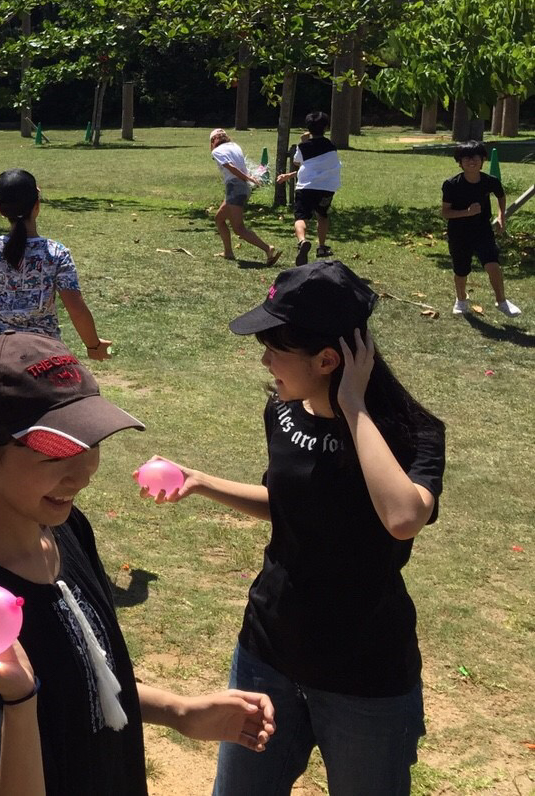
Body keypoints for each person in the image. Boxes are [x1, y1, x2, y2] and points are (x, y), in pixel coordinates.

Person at [0, 332, 276, 795]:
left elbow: (84, 680)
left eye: (90, 443)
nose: (83, 473)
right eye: (57, 453)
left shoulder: (66, 531)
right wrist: (19, 700)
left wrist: (178, 711)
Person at [144, 261, 444, 795]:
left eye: (275, 349)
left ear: (328, 359)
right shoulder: (283, 411)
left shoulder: (411, 432)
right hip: (269, 652)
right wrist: (202, 481)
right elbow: (294, 506)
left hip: (365, 676)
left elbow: (402, 518)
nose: (264, 360)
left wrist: (351, 405)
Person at [0, 168, 111, 359]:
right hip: (42, 351)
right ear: (37, 205)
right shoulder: (56, 254)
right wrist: (94, 346)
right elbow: (75, 308)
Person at [441, 140, 521, 317]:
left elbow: (501, 196)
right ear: (460, 162)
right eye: (466, 157)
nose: (472, 161)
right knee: (461, 271)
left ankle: (502, 301)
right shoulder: (451, 184)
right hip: (459, 233)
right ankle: (461, 299)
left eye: (476, 156)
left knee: (493, 265)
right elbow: (445, 212)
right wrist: (466, 212)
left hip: (483, 230)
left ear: (483, 159)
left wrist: (501, 216)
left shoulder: (489, 181)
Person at [275, 111, 341, 266]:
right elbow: (316, 165)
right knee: (322, 215)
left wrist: (303, 141)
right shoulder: (331, 146)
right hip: (327, 188)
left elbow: (298, 163)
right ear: (326, 127)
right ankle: (322, 247)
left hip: (306, 187)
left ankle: (303, 241)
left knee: (300, 218)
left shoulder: (303, 147)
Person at [209, 128, 280, 266]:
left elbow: (230, 167)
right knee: (219, 219)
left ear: (213, 141)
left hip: (235, 187)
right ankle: (228, 252)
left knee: (238, 228)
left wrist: (248, 178)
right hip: (240, 187)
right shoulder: (235, 146)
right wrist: (248, 179)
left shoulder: (216, 151)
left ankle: (267, 248)